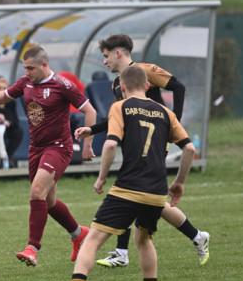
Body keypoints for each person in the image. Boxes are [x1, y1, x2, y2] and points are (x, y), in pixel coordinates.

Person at [52, 65, 195, 281]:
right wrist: (179, 182)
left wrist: (101, 177)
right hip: (156, 191)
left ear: (123, 88)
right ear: (148, 87)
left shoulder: (120, 107)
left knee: (93, 240)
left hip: (127, 188)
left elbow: (109, 145)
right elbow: (190, 149)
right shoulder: (165, 112)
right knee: (143, 239)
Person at [83, 33, 209, 267]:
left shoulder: (145, 70)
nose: (104, 61)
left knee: (133, 193)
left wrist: (174, 123)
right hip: (133, 143)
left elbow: (178, 87)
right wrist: (93, 129)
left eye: (106, 56)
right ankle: (197, 236)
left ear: (118, 53)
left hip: (153, 143)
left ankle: (122, 253)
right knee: (150, 200)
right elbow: (117, 114)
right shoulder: (116, 83)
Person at [0, 45, 96, 266]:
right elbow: (4, 97)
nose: (27, 73)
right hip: (36, 148)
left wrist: (87, 145)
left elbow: (89, 111)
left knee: (36, 192)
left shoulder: (62, 85)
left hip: (58, 147)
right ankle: (79, 234)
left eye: (31, 68)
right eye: (25, 68)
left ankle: (32, 248)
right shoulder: (25, 82)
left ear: (44, 65)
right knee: (49, 201)